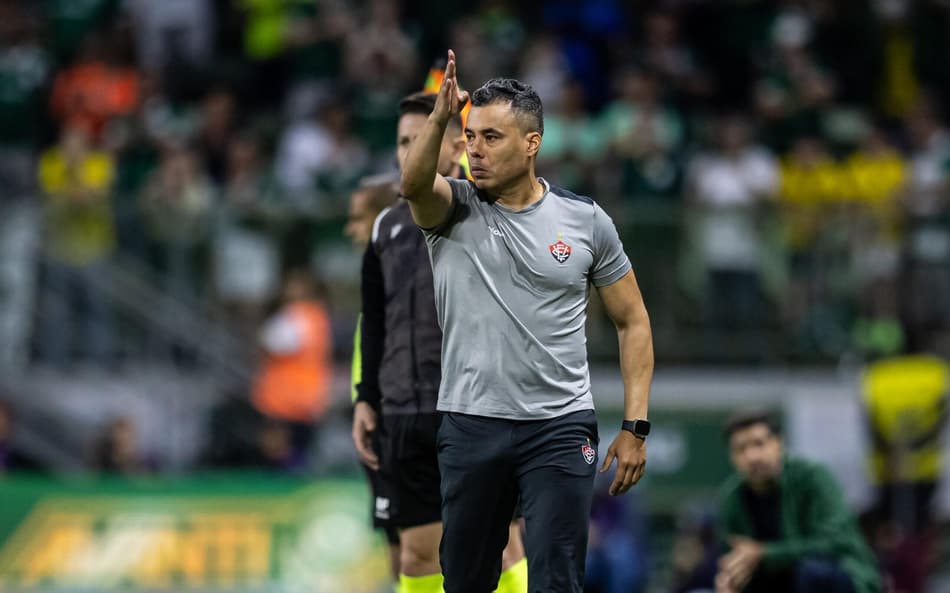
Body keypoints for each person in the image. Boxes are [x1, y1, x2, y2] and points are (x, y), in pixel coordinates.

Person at [399, 50, 654, 593]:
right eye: (470, 136)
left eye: (491, 137)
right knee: (465, 582)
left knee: (557, 580)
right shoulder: (452, 208)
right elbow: (413, 185)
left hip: (559, 427)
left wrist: (635, 426)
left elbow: (632, 321)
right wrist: (440, 117)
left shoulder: (585, 221)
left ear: (532, 143)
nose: (475, 149)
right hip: (470, 423)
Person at [353, 90, 529, 593]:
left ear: (455, 147)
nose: (410, 151)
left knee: (502, 543)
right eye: (404, 141)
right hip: (405, 412)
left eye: (422, 137)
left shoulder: (489, 213)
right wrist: (367, 399)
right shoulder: (385, 228)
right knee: (416, 551)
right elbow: (376, 322)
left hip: (476, 405)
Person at [716, 410, 881, 593]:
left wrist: (765, 554)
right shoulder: (732, 497)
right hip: (775, 585)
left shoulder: (813, 476)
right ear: (732, 457)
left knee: (813, 572)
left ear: (779, 443)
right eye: (741, 449)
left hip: (838, 580)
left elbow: (835, 543)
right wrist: (729, 581)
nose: (752, 456)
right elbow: (733, 558)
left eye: (759, 444)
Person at [345, 173, 402, 588]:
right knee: (398, 545)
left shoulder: (400, 281)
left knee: (408, 546)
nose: (351, 229)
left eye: (357, 218)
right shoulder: (376, 278)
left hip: (397, 425)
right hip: (378, 424)